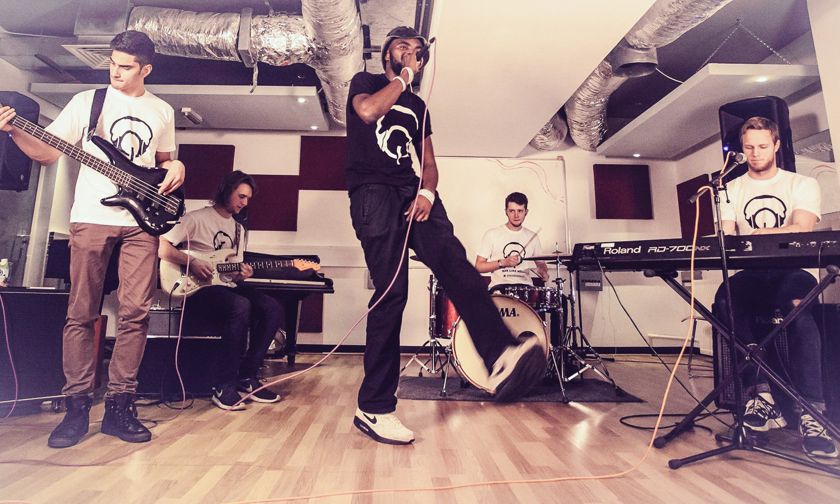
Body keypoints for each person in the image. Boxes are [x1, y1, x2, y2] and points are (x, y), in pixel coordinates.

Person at [345, 26, 545, 445]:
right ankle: (374, 408)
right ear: (387, 53)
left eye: (417, 51)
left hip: (412, 192)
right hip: (373, 194)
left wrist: (427, 192)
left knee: (458, 265)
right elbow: (367, 112)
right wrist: (403, 77)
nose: (411, 53)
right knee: (392, 294)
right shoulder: (366, 82)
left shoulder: (418, 106)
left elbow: (429, 162)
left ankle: (501, 355)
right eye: (403, 47)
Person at [0, 31, 185, 448]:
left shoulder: (162, 110)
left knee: (136, 312)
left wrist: (179, 167)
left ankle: (120, 405)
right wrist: (13, 132)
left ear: (146, 69)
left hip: (142, 222)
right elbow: (49, 152)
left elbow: (163, 163)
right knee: (81, 312)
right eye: (113, 64)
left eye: (126, 67)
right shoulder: (88, 101)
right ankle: (77, 406)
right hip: (91, 216)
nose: (115, 72)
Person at [715, 116, 836, 458]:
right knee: (725, 299)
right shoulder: (729, 189)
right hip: (753, 274)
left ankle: (813, 413)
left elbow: (801, 227)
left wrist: (759, 234)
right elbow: (726, 236)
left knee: (797, 308)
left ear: (777, 146)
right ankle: (763, 395)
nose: (755, 153)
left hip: (792, 271)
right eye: (749, 147)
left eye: (763, 146)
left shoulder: (801, 184)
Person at [159, 171, 284, 411]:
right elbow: (161, 247)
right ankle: (223, 385)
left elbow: (230, 271)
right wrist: (191, 262)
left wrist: (241, 273)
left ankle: (246, 376)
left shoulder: (238, 229)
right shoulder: (195, 219)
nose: (244, 203)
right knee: (240, 305)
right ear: (226, 190)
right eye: (241, 196)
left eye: (248, 199)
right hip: (196, 289)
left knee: (272, 308)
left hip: (224, 287)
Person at [475, 192, 549, 290]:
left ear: (526, 212)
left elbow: (541, 264)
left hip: (525, 289)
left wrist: (543, 271)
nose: (516, 215)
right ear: (506, 211)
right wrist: (502, 263)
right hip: (499, 289)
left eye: (520, 211)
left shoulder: (533, 237)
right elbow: (479, 266)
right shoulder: (492, 234)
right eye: (512, 211)